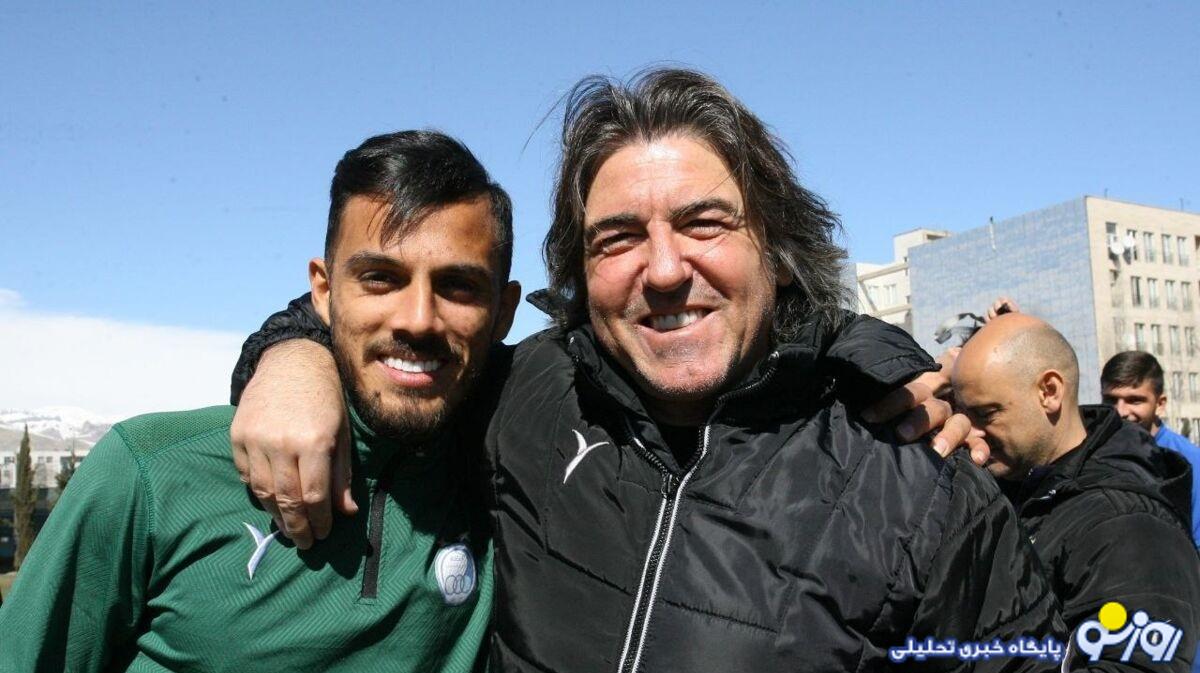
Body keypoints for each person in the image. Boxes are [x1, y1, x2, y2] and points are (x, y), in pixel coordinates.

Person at [233, 68, 1061, 672]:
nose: (663, 269)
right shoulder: (525, 395)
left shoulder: (923, 483)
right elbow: (402, 337)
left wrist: (881, 358)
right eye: (619, 237)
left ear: (775, 248)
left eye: (704, 223)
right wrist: (291, 357)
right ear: (580, 272)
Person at [0, 131, 520, 671]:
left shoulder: (522, 474)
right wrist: (293, 353)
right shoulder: (150, 474)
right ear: (323, 290)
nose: (418, 319)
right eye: (380, 279)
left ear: (504, 310)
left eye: (459, 286)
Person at [953, 313, 1199, 670]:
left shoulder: (1129, 526)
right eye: (962, 413)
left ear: (1050, 392)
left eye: (986, 413)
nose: (970, 432)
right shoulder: (1013, 486)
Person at [1101, 350, 1200, 546]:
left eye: (1134, 400)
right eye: (1111, 400)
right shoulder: (1096, 454)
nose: (1120, 411)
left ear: (1160, 404)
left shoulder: (1188, 460)